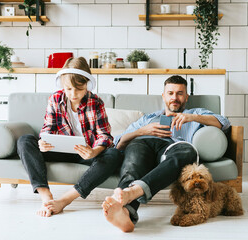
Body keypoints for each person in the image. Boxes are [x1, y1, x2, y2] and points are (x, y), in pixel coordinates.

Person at [101, 75, 230, 232]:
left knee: (187, 151)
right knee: (133, 161)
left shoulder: (195, 114)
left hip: (174, 148)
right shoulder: (148, 118)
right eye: (170, 93)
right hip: (143, 144)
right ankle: (125, 212)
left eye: (179, 93)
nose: (174, 98)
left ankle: (132, 192)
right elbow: (119, 143)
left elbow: (224, 123)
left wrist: (192, 117)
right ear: (163, 96)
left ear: (186, 97)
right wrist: (142, 131)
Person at [17, 57, 122, 217]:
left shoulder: (95, 102)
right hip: (59, 150)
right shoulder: (55, 99)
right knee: (25, 140)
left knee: (114, 154)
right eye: (69, 89)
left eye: (79, 89)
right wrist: (43, 142)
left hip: (85, 154)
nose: (73, 94)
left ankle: (64, 200)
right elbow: (47, 128)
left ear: (87, 84)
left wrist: (94, 151)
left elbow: (105, 135)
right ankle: (46, 196)